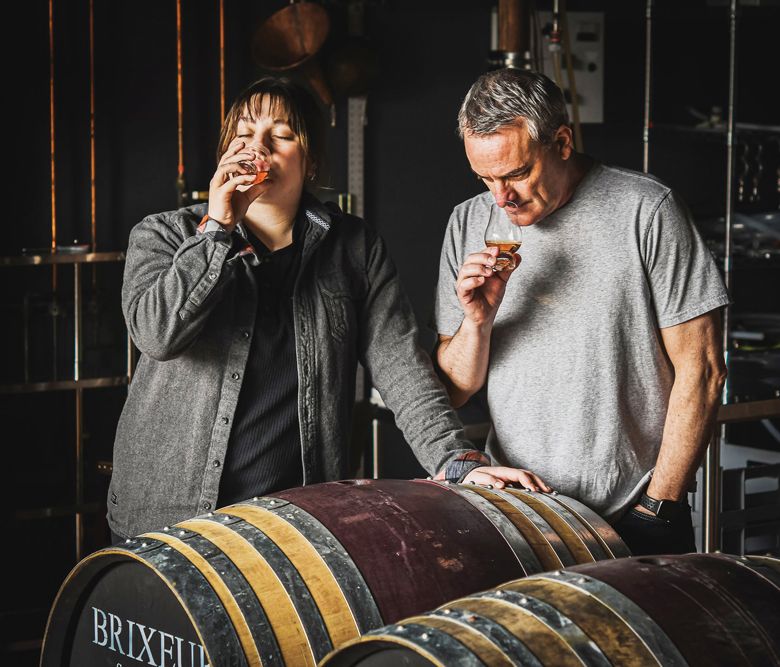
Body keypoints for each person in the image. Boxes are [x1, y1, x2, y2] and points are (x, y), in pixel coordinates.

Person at [108, 76, 548, 541]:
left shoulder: (354, 249)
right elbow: (157, 335)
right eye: (242, 134)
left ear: (311, 159)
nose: (256, 149)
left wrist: (455, 460)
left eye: (279, 135)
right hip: (167, 517)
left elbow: (403, 369)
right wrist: (217, 227)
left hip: (291, 519)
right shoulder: (164, 235)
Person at [434, 68, 729, 556]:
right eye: (485, 177)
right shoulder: (468, 221)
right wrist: (476, 321)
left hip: (631, 513)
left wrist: (660, 507)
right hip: (514, 515)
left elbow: (703, 370)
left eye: (515, 174)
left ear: (563, 142)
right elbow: (457, 387)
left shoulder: (646, 210)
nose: (500, 198)